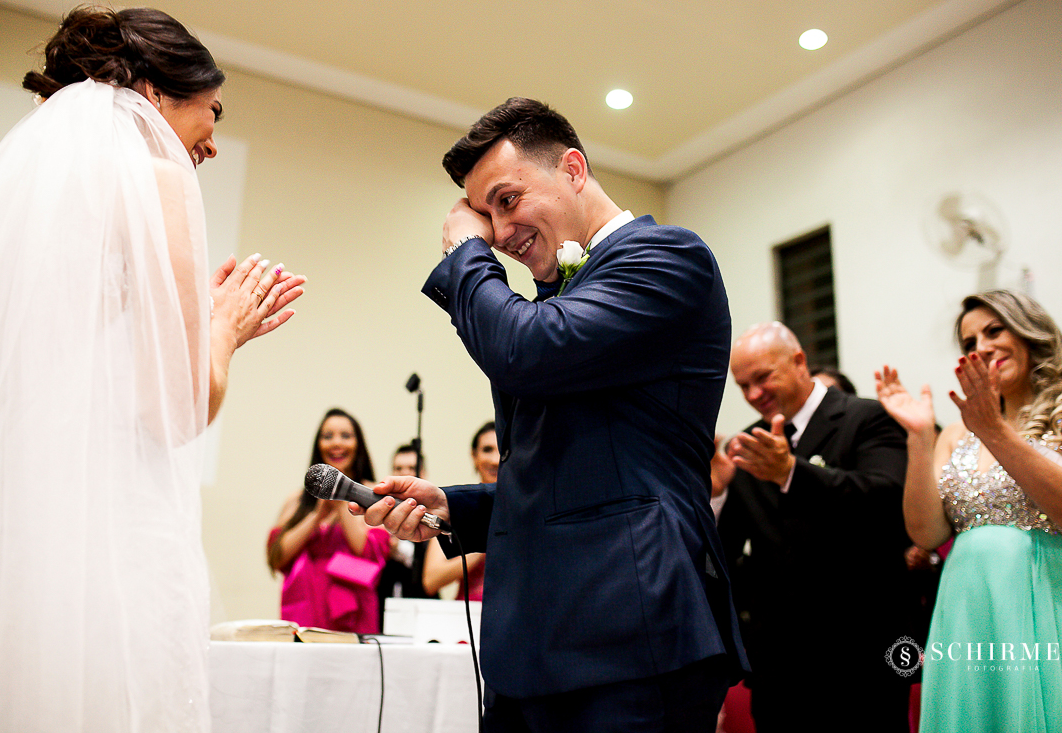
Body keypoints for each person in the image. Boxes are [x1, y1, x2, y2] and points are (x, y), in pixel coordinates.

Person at [0, 6, 305, 732]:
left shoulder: (37, 193)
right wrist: (225, 329)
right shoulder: (159, 179)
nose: (213, 141)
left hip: (13, 526)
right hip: (103, 527)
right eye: (213, 111)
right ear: (155, 93)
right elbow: (177, 410)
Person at [359, 97, 747, 733]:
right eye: (485, 216)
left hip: (633, 631)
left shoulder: (667, 257)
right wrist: (455, 506)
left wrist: (465, 252)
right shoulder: (558, 299)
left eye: (507, 200)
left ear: (572, 168)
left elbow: (523, 352)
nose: (498, 231)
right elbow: (569, 469)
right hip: (533, 649)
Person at [876, 290, 1062, 732]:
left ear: (1031, 334)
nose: (982, 348)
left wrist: (994, 431)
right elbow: (926, 533)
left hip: (1058, 607)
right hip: (969, 614)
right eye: (970, 343)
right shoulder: (956, 434)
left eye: (994, 331)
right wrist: (919, 438)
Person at [717, 322, 912, 733]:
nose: (754, 394)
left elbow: (887, 502)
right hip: (778, 670)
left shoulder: (867, 418)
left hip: (860, 657)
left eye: (763, 377)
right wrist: (715, 496)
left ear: (799, 361)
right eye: (743, 386)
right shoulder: (750, 445)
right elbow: (724, 552)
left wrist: (791, 472)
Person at [268, 408, 391, 634]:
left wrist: (341, 497)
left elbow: (369, 553)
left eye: (346, 436)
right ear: (318, 445)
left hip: (354, 616)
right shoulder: (297, 500)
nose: (336, 443)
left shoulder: (373, 494)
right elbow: (276, 558)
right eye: (327, 436)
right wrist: (316, 516)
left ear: (358, 444)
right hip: (303, 612)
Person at [422, 421, 499, 600]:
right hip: (467, 611)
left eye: (502, 449)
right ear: (474, 456)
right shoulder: (462, 507)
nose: (495, 460)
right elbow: (431, 580)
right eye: (487, 450)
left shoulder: (525, 509)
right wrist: (481, 544)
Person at [377, 444, 438, 623]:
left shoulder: (435, 515)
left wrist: (402, 550)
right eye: (398, 468)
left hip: (424, 609)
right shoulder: (378, 512)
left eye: (412, 468)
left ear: (424, 474)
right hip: (383, 605)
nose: (405, 473)